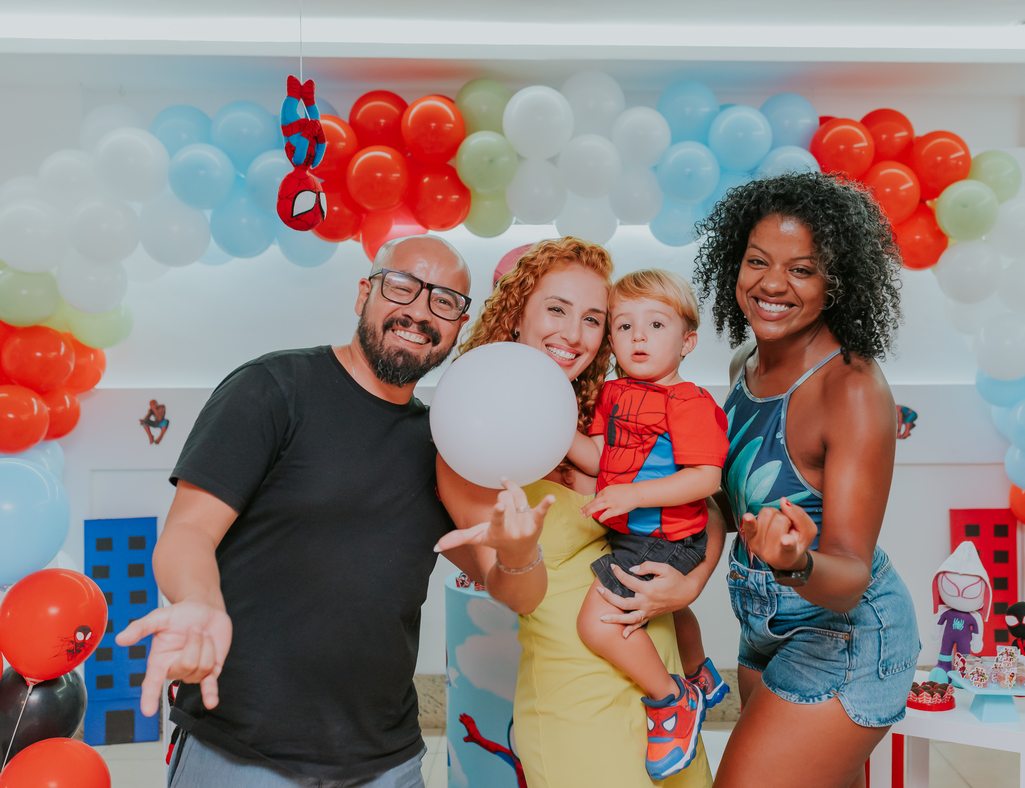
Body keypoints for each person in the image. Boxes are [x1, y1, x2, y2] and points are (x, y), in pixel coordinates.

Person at [115, 235, 542, 787]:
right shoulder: (272, 389)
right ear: (364, 292)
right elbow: (189, 531)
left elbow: (519, 593)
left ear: (459, 327)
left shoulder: (447, 445)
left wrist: (519, 553)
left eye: (444, 302)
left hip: (386, 763)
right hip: (243, 753)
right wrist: (199, 601)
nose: (419, 311)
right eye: (402, 287)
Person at [435, 239, 720, 788]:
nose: (575, 334)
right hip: (576, 707)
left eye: (594, 318)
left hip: (667, 709)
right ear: (516, 313)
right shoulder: (467, 438)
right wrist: (517, 554)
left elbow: (701, 512)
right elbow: (514, 593)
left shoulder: (601, 412)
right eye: (557, 309)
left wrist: (687, 588)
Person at [691, 172, 921, 788]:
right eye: (758, 261)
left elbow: (846, 574)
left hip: (845, 633)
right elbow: (724, 490)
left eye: (802, 269)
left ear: (836, 282)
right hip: (762, 624)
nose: (771, 284)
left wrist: (792, 562)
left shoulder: (850, 387)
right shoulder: (744, 362)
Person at [566, 269, 729, 780]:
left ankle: (672, 702)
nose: (638, 336)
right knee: (670, 615)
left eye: (656, 325)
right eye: (624, 325)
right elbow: (594, 458)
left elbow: (705, 478)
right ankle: (702, 674)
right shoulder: (613, 394)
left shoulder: (689, 402)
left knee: (596, 622)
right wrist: (553, 423)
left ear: (688, 341)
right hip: (635, 533)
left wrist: (634, 494)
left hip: (668, 536)